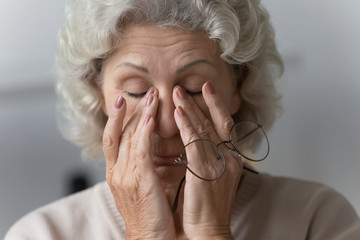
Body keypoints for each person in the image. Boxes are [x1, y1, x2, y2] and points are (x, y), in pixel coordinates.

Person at [5, 0, 360, 239]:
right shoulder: (41, 233)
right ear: (97, 93)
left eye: (191, 90)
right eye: (136, 92)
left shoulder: (319, 220)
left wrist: (212, 230)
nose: (166, 125)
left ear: (239, 85)